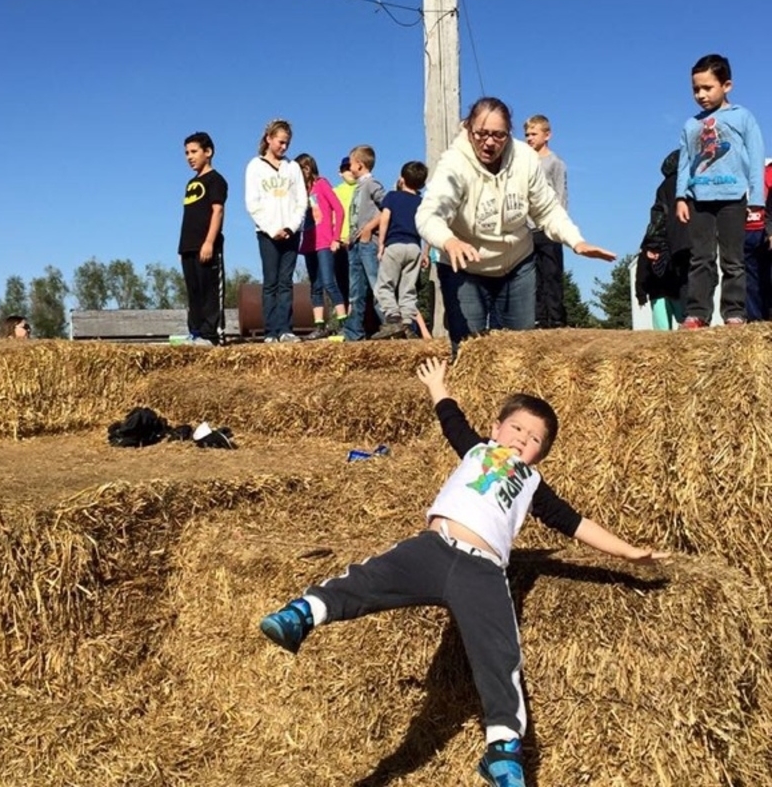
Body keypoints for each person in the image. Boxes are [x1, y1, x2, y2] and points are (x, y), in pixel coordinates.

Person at [260, 357, 669, 787]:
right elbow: (451, 421)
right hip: (433, 549)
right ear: (496, 429)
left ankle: (503, 750)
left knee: (500, 655)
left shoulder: (531, 483)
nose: (522, 441)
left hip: (484, 571)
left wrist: (628, 553)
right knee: (368, 580)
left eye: (534, 441)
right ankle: (303, 614)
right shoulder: (477, 449)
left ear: (540, 455)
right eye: (517, 429)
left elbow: (575, 523)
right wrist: (438, 386)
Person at [416, 97, 615, 354]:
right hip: (465, 268)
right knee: (468, 353)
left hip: (517, 267)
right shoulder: (453, 164)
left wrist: (576, 240)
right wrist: (449, 240)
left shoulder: (525, 159)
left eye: (498, 135)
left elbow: (547, 209)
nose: (489, 142)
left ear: (508, 134)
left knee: (519, 353)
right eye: (481, 134)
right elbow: (428, 214)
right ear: (468, 129)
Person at [675, 54, 765, 329]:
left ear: (726, 85)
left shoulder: (742, 117)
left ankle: (734, 312)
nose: (700, 94)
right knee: (700, 258)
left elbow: (756, 154)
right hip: (699, 199)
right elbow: (685, 162)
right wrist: (681, 196)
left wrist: (757, 199)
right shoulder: (691, 124)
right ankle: (698, 313)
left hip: (732, 198)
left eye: (707, 88)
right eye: (695, 89)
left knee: (733, 259)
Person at [245, 119, 307, 343]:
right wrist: (272, 229)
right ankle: (271, 331)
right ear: (269, 139)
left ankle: (285, 329)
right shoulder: (255, 166)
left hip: (291, 232)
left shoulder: (293, 168)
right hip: (267, 233)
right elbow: (252, 203)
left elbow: (302, 201)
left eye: (287, 143)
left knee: (286, 281)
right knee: (270, 280)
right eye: (280, 142)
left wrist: (291, 226)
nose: (283, 147)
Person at [178, 131, 228, 346]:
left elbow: (217, 212)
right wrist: (182, 249)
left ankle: (211, 334)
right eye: (187, 153)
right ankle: (196, 331)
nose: (189, 157)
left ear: (208, 152)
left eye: (194, 152)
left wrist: (208, 242)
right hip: (188, 246)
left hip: (207, 246)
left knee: (209, 291)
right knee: (194, 292)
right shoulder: (191, 183)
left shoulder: (216, 180)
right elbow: (189, 217)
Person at [372, 160, 430, 339]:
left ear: (402, 179)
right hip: (414, 248)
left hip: (395, 245)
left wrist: (381, 244)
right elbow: (427, 228)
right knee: (408, 289)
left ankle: (393, 318)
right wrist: (425, 253)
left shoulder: (392, 197)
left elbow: (385, 219)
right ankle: (407, 324)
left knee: (384, 286)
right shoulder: (422, 203)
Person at [294, 153, 348, 339]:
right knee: (315, 286)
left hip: (325, 242)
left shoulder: (322, 184)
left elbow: (339, 210)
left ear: (307, 169)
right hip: (309, 243)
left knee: (328, 282)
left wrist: (336, 238)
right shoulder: (301, 192)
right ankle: (319, 326)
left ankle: (344, 324)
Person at [636, 150, 691, 330]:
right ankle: (695, 320)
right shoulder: (696, 180)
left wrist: (652, 242)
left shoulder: (664, 186)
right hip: (697, 238)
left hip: (675, 243)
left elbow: (658, 217)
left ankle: (689, 321)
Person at [524, 115, 568, 329]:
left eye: (534, 134)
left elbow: (560, 193)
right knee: (534, 276)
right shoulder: (525, 163)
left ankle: (556, 318)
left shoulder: (555, 163)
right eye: (527, 134)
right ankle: (539, 317)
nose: (529, 138)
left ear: (547, 135)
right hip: (528, 228)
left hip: (549, 226)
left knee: (551, 273)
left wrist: (559, 222)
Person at [342, 145, 386, 342]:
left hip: (368, 244)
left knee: (376, 284)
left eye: (350, 163)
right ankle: (353, 331)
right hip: (355, 244)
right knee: (356, 289)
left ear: (359, 165)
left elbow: (387, 207)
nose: (348, 167)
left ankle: (389, 324)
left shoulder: (372, 184)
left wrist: (369, 228)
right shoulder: (358, 187)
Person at [743, 160, 772, 322]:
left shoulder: (742, 174)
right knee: (756, 278)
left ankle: (756, 318)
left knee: (752, 279)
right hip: (755, 229)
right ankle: (757, 319)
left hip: (757, 228)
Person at [332, 156, 356, 307]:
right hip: (339, 244)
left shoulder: (363, 188)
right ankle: (345, 320)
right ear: (340, 172)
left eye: (351, 167)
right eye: (345, 168)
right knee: (341, 282)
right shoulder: (334, 191)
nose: (349, 171)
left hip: (358, 242)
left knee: (360, 284)